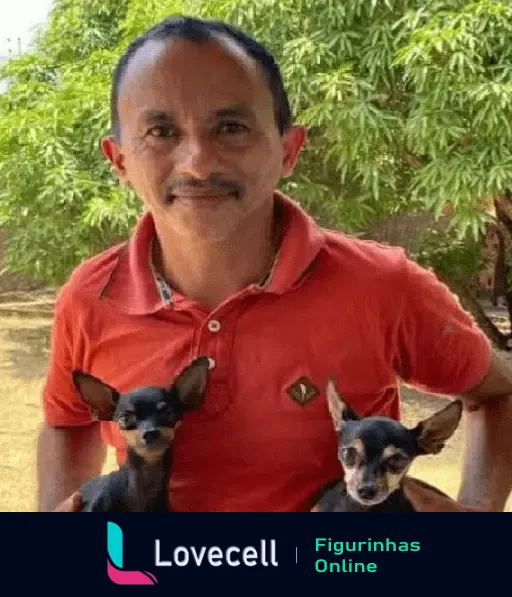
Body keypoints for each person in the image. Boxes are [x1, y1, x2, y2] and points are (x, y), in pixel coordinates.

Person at [37, 15, 512, 513]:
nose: (197, 161)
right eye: (161, 130)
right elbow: (68, 421)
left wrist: (476, 517)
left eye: (231, 127)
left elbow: (498, 394)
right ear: (119, 161)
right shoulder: (90, 296)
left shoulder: (382, 285)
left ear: (289, 149)